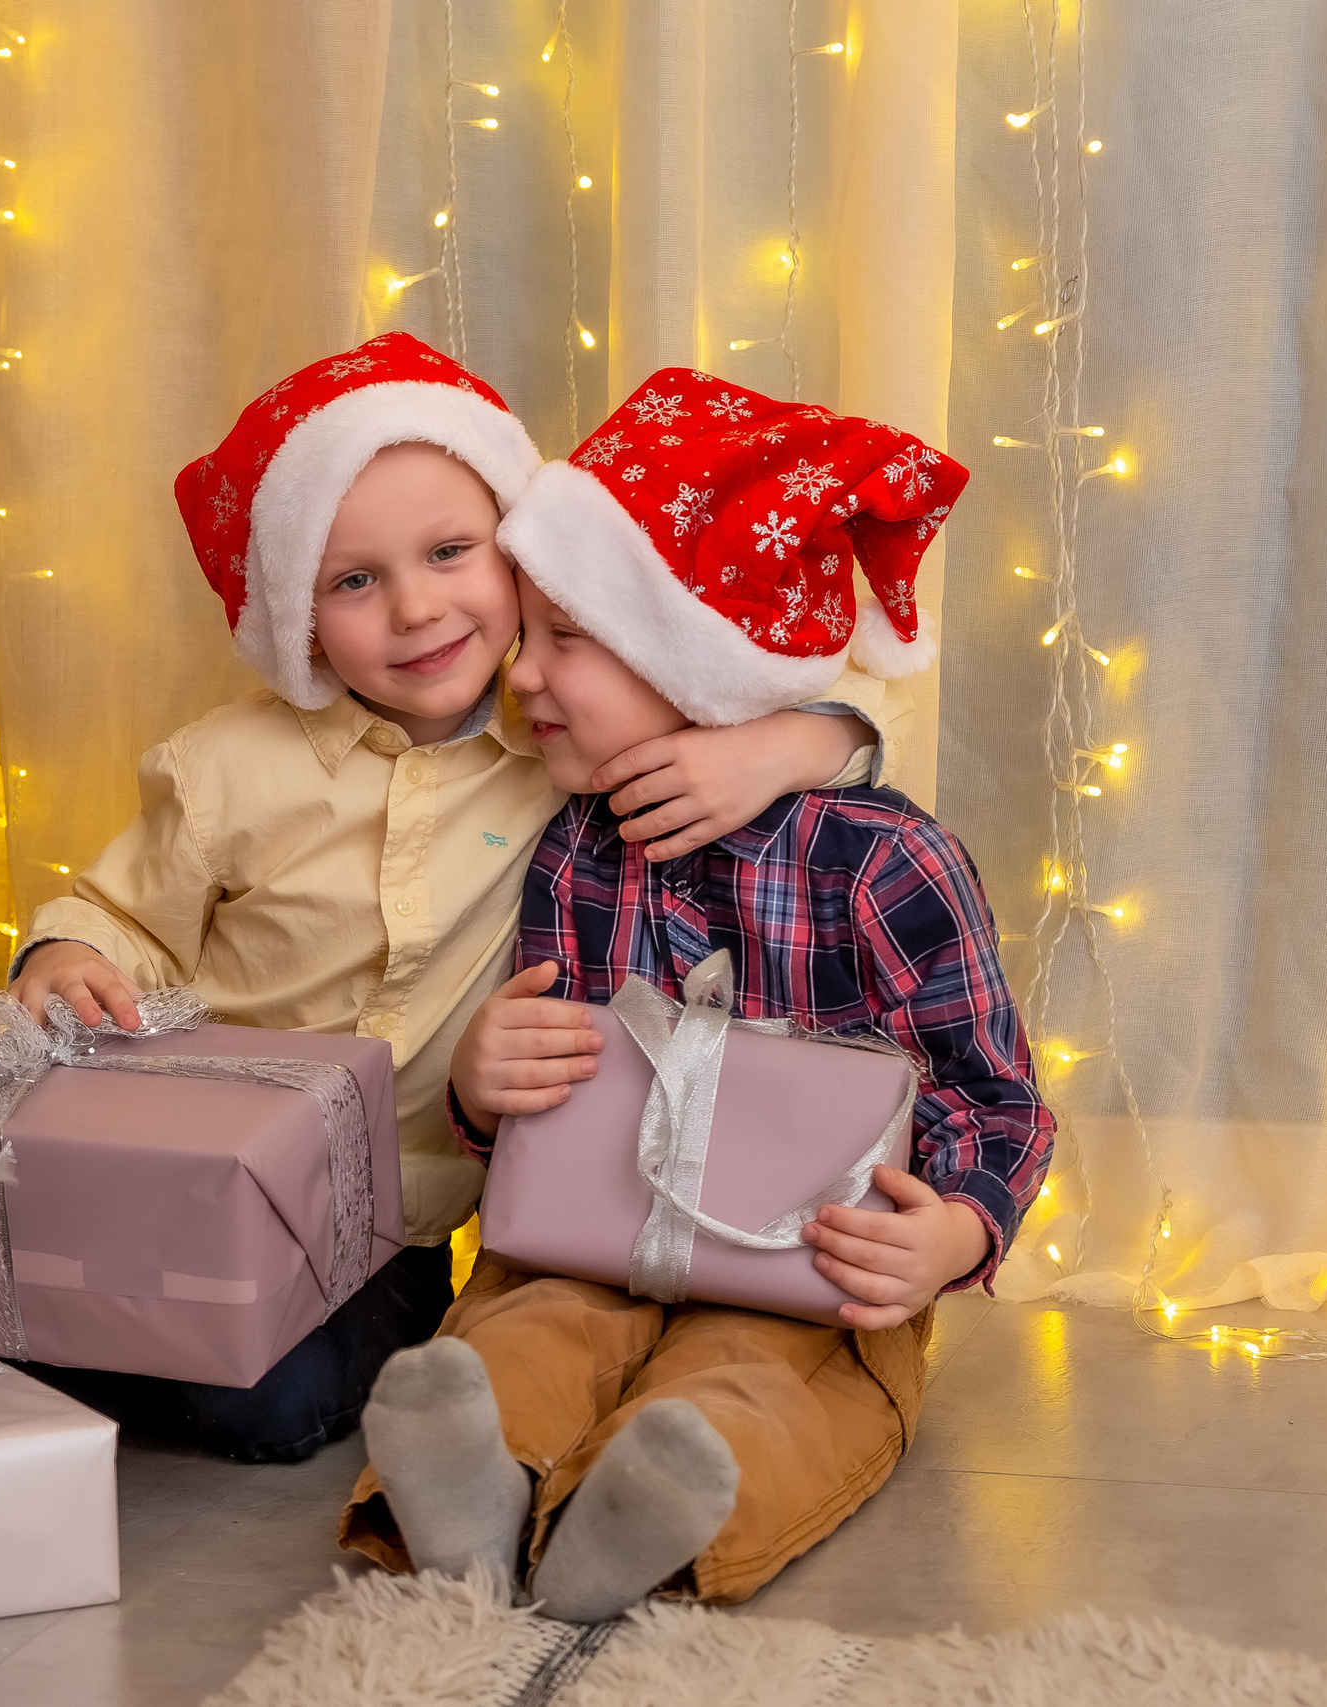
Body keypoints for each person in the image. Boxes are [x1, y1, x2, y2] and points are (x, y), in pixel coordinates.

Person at [8, 338, 924, 1463]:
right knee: (40, 1304)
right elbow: (127, 917)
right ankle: (49, 1350)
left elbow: (829, 690)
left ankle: (120, 1368)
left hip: (391, 1222)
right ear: (296, 615)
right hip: (210, 1173)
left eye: (452, 552)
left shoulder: (565, 733)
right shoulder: (225, 766)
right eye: (353, 581)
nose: (416, 610)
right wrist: (62, 954)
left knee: (267, 1408)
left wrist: (783, 745)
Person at [340, 369, 1053, 1616]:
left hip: (807, 1272)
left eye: (569, 643)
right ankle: (468, 1484)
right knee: (523, 1334)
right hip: (580, 1245)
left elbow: (995, 1099)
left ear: (707, 672)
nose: (521, 678)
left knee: (752, 1385)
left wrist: (952, 1233)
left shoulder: (886, 862)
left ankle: (653, 1519)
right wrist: (478, 1086)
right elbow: (542, 1086)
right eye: (529, 636)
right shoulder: (572, 844)